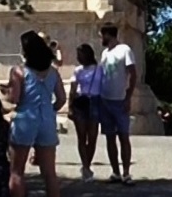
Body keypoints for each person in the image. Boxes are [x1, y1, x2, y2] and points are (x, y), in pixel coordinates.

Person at [8, 30, 65, 197]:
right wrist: (51, 109)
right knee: (49, 173)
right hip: (46, 117)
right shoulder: (53, 71)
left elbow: (15, 98)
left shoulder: (19, 71)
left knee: (17, 171)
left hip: (26, 116)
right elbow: (61, 98)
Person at [99, 24, 137, 186]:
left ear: (109, 35)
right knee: (109, 137)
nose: (101, 38)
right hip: (105, 99)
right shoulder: (105, 53)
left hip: (120, 99)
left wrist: (128, 96)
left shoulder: (125, 50)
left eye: (102, 35)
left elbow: (133, 73)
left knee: (123, 136)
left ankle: (126, 172)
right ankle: (115, 171)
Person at [68, 44, 102, 182]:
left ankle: (87, 165)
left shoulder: (100, 69)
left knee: (92, 137)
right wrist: (70, 107)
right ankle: (86, 166)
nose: (78, 58)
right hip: (80, 103)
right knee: (82, 137)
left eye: (80, 55)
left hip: (95, 101)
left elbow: (104, 86)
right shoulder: (78, 71)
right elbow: (73, 89)